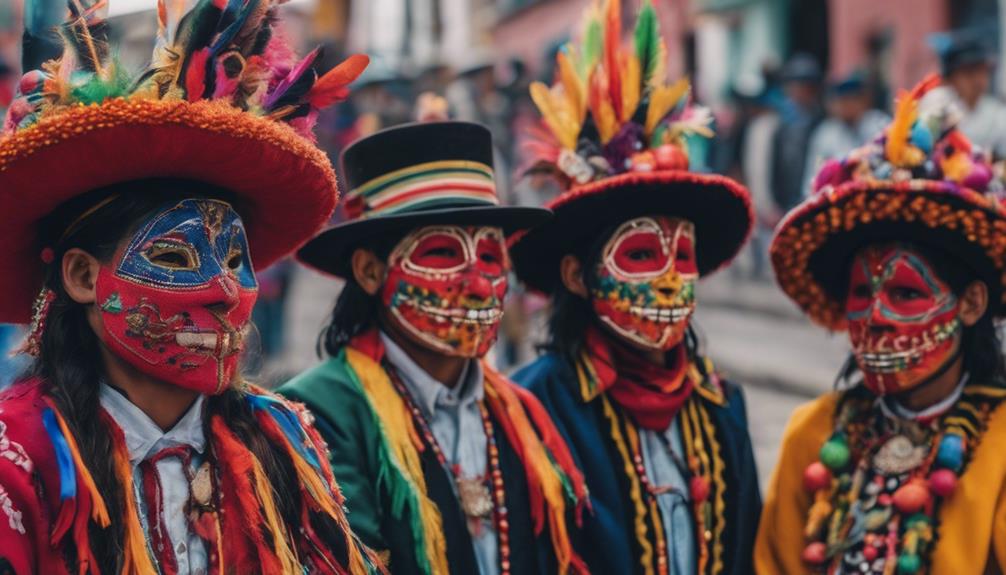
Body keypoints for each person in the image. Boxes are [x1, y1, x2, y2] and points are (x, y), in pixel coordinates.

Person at [0, 1, 382, 573]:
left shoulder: (284, 441)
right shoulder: (17, 460)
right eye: (176, 256)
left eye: (234, 256)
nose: (226, 290)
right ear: (83, 276)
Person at [510, 2, 762, 573]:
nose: (672, 280)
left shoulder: (723, 405)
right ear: (579, 276)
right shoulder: (530, 409)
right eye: (642, 256)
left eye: (683, 257)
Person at [279, 121, 588, 575]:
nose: (480, 285)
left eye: (489, 258)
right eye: (442, 254)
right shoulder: (321, 413)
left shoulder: (520, 413)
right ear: (368, 271)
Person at [756, 74, 1006, 573]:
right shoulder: (813, 432)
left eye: (907, 293)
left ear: (972, 304)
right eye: (862, 293)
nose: (876, 318)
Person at [802, 71, 890, 196]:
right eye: (841, 100)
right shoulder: (825, 134)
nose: (846, 105)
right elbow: (811, 181)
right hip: (837, 201)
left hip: (877, 196)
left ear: (864, 100)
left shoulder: (880, 124)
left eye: (851, 98)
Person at [926, 34, 1006, 158]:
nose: (978, 80)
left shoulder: (997, 114)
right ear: (950, 78)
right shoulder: (936, 106)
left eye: (983, 72)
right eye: (968, 73)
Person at [771, 52, 825, 211]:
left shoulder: (824, 123)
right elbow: (777, 165)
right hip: (788, 202)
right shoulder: (783, 124)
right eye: (796, 86)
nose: (800, 91)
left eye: (806, 86)